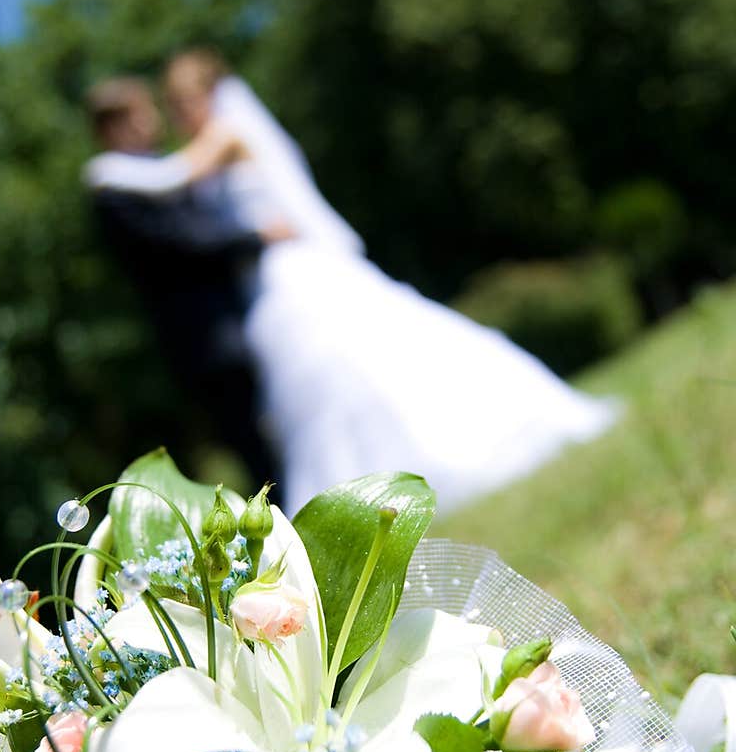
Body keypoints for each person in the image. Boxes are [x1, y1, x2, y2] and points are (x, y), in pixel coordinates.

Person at [84, 53, 620, 517]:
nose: (176, 116)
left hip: (290, 270)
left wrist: (104, 170)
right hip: (264, 285)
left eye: (181, 103)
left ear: (207, 95)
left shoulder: (222, 137)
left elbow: (169, 176)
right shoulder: (210, 144)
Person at [83, 75, 284, 490]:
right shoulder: (113, 193)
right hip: (206, 337)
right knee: (253, 442)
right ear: (111, 129)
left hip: (242, 310)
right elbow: (180, 245)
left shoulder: (161, 171)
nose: (150, 121)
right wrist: (255, 238)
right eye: (137, 114)